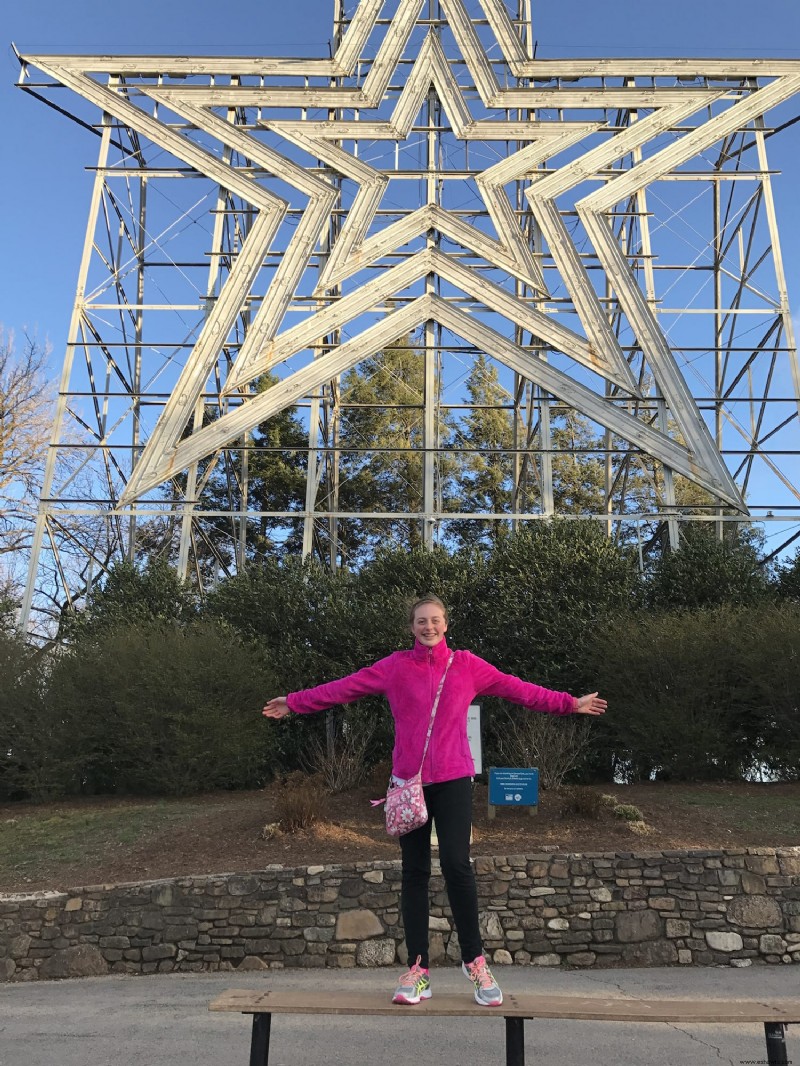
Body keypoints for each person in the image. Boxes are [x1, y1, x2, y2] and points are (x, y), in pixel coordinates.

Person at [262, 594, 606, 1008]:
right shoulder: (393, 667)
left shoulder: (467, 666)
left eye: (435, 620)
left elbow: (520, 690)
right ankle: (418, 970)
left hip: (455, 779)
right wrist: (294, 702)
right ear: (411, 627)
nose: (429, 627)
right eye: (421, 621)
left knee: (458, 865)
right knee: (414, 872)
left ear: (446, 625)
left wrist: (570, 703)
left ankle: (475, 962)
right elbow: (343, 689)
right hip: (407, 784)